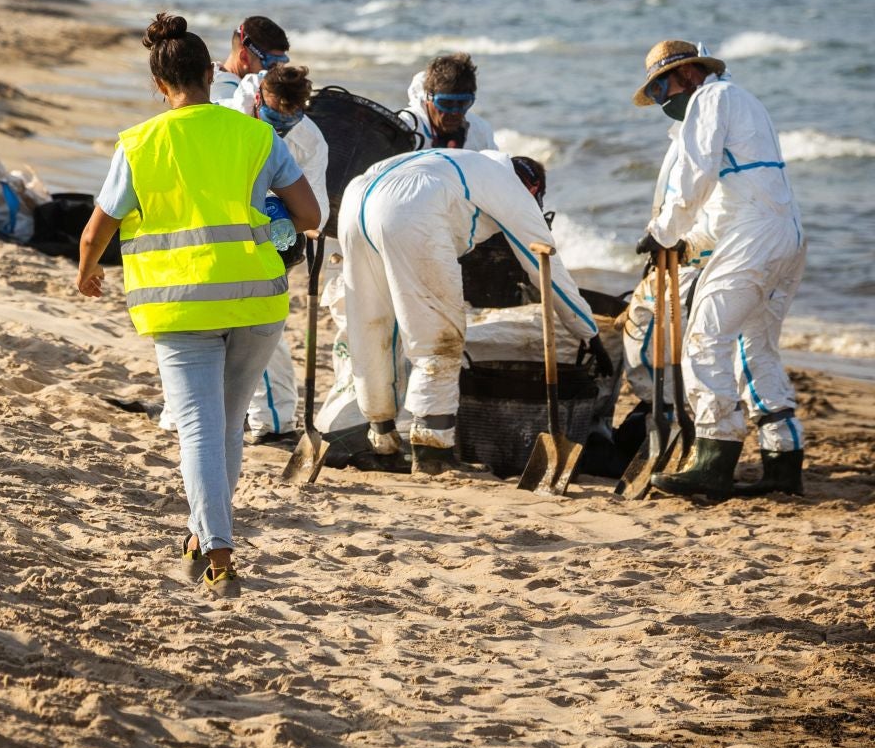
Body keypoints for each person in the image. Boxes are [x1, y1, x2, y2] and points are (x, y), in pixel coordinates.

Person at [75, 13, 321, 600]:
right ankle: (199, 534)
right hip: (257, 301)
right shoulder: (258, 136)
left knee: (198, 429)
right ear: (212, 74)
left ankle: (217, 549)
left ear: (159, 85)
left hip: (180, 306)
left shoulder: (139, 144)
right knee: (227, 422)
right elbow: (311, 218)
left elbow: (95, 232)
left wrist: (87, 273)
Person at [338, 147, 594, 473]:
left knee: (373, 324)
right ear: (533, 189)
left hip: (356, 201)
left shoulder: (465, 162)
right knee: (439, 336)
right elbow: (545, 266)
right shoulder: (510, 186)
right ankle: (433, 450)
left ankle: (382, 440)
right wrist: (586, 328)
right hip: (409, 212)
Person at [634, 40, 808, 500]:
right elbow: (732, 195)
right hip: (785, 233)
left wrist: (663, 233)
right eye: (652, 94)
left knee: (705, 339)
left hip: (755, 239)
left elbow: (697, 174)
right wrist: (690, 244)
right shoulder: (743, 100)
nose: (660, 100)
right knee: (756, 348)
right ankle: (783, 460)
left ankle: (713, 459)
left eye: (660, 88)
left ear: (688, 74)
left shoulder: (709, 99)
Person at [220, 63, 332, 442]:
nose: (280, 127)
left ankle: (272, 420)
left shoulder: (312, 139)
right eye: (272, 116)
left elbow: (318, 211)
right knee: (223, 326)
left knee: (260, 324)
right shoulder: (225, 116)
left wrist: (285, 218)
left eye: (291, 118)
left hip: (273, 239)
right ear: (258, 99)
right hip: (217, 230)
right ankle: (264, 418)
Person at [400, 52, 497, 151]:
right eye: (446, 103)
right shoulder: (404, 127)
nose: (455, 112)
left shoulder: (480, 131)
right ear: (428, 97)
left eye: (462, 103)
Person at [208, 15, 291, 111]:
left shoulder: (213, 74)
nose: (276, 72)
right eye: (272, 65)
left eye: (281, 64)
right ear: (243, 57)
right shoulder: (227, 97)